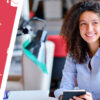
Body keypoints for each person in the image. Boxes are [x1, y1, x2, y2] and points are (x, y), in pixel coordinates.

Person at [54, 0, 100, 100]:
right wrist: (64, 97)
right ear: (76, 27)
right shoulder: (74, 53)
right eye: (83, 24)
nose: (89, 29)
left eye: (95, 23)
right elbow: (65, 87)